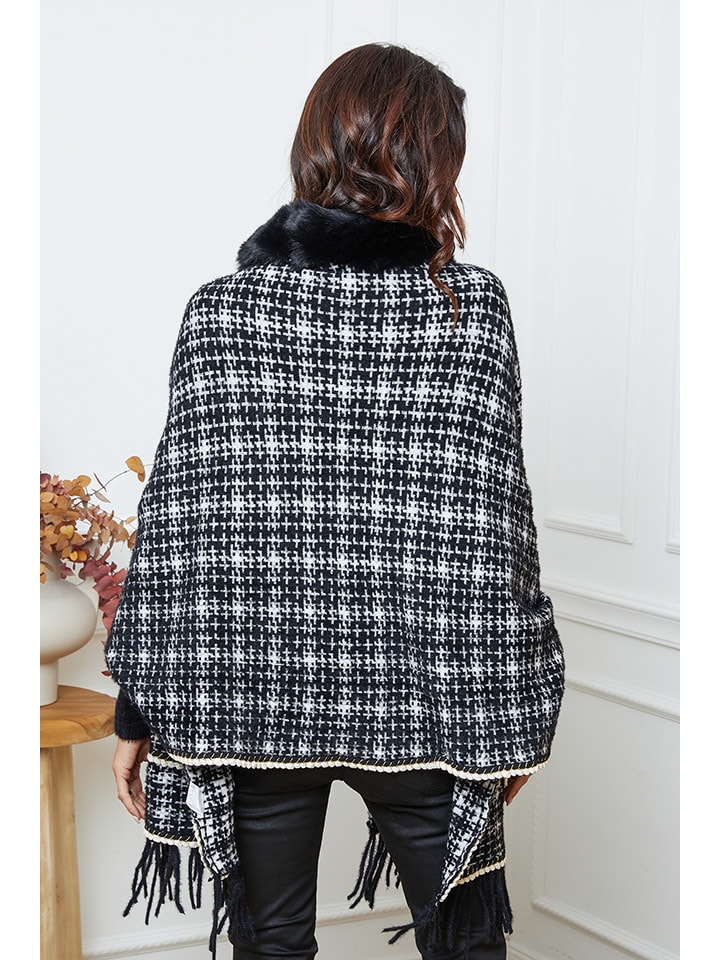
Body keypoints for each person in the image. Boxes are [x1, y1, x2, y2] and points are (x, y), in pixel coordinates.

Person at [106, 43, 565, 960]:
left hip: (249, 690)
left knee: (269, 946)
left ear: (315, 144)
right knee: (466, 945)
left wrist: (138, 714)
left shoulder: (224, 311)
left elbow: (176, 532)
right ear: (436, 161)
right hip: (428, 696)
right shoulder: (471, 312)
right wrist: (508, 721)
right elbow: (495, 537)